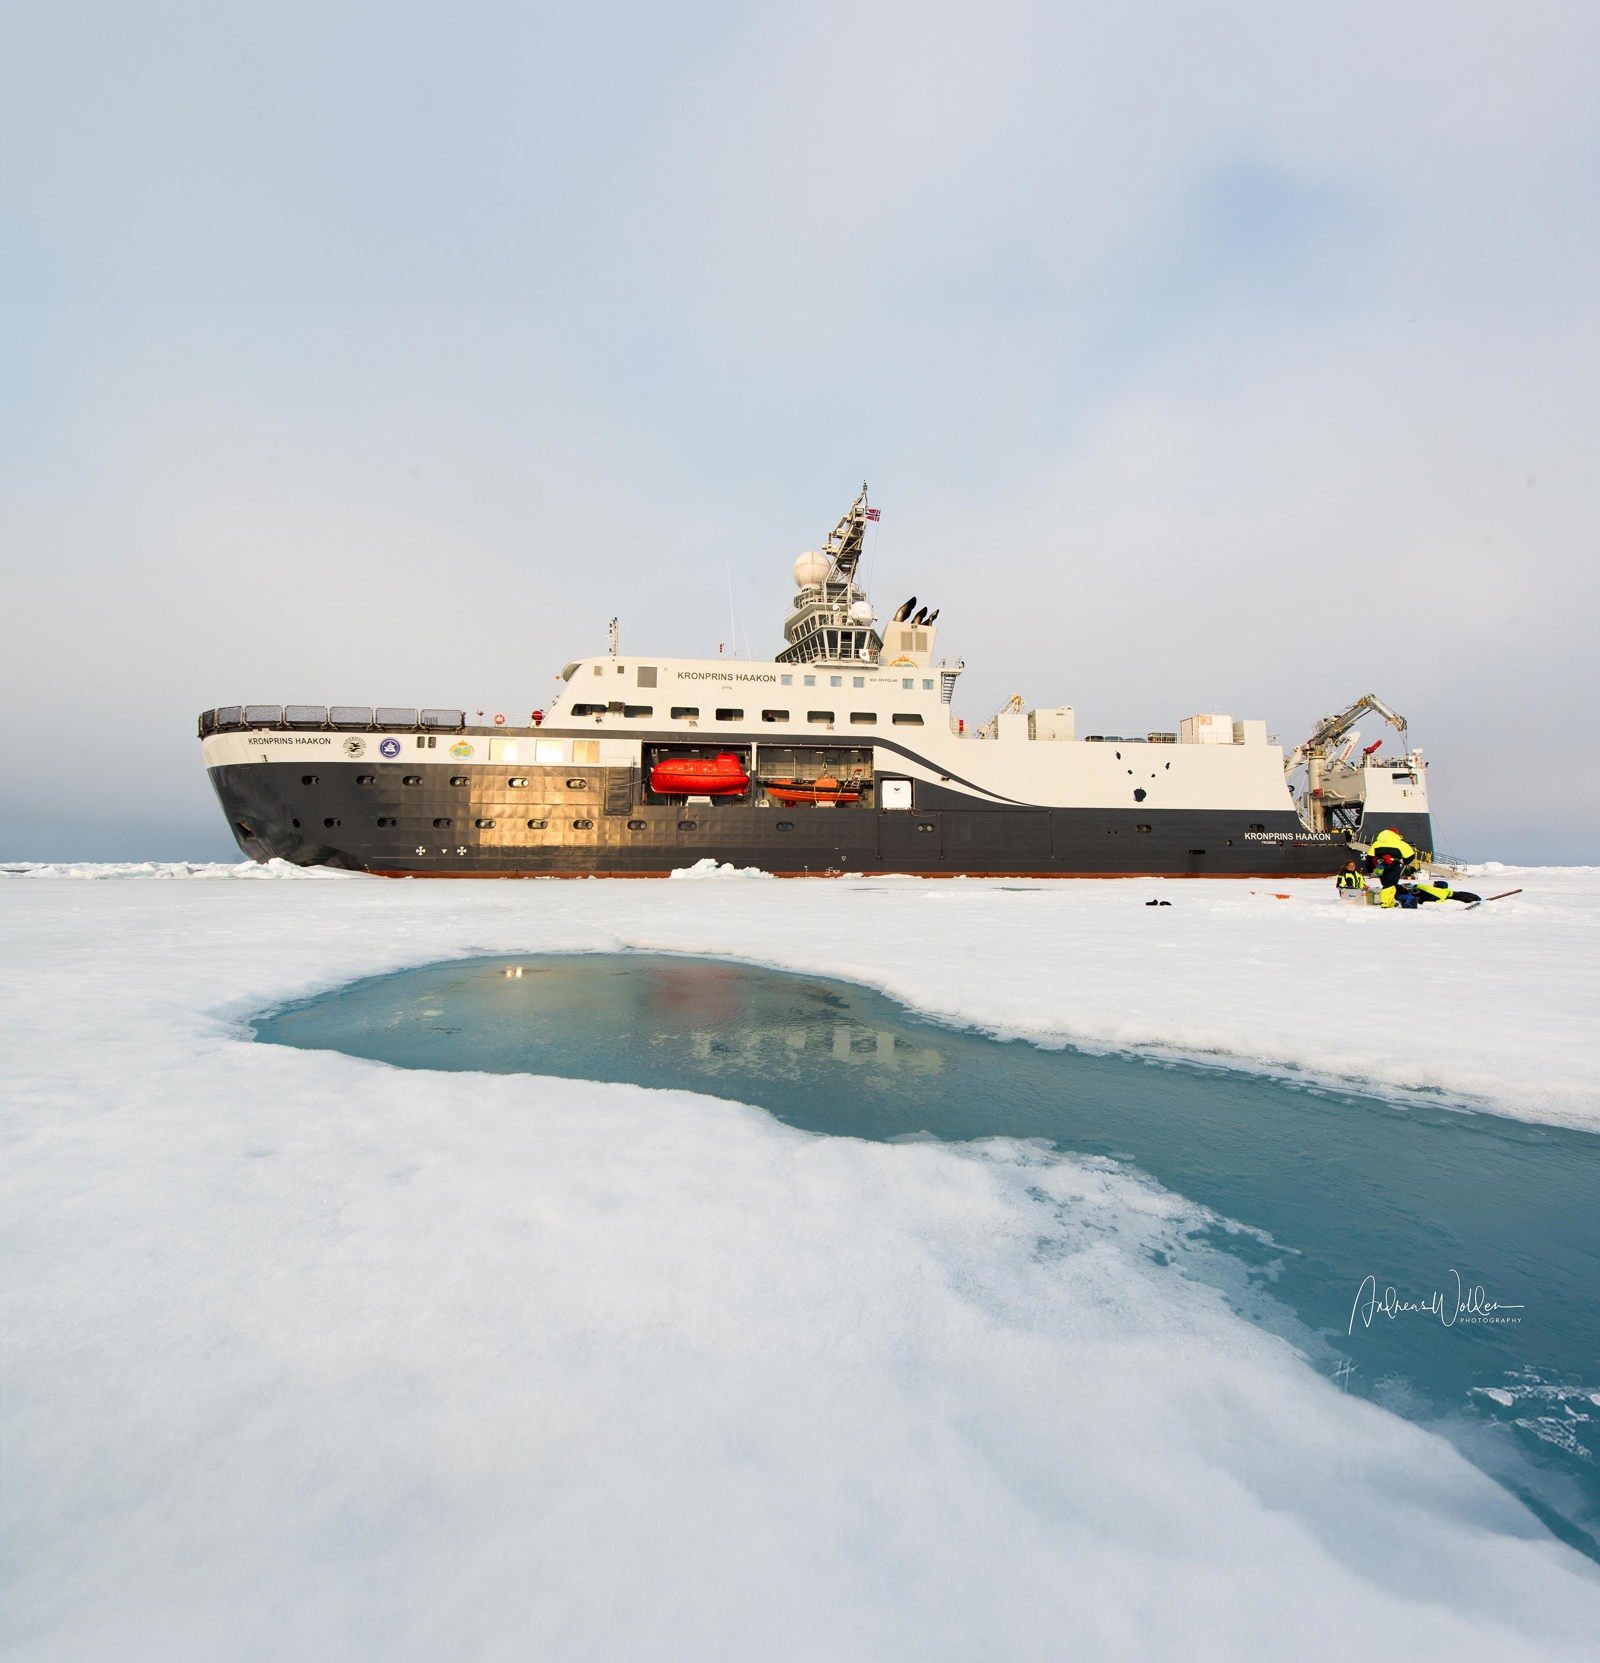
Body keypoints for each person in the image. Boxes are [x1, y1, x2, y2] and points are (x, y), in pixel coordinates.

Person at [1362, 827, 1418, 908]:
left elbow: (1369, 858)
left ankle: (1390, 900)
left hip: (1379, 866)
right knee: (1390, 884)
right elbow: (1410, 855)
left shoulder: (1376, 843)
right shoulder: (1399, 843)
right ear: (1396, 834)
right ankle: (1386, 902)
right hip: (1393, 864)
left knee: (1385, 883)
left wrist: (1370, 869)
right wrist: (1405, 862)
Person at [1411, 877, 1481, 905]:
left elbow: (1421, 886)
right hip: (1473, 897)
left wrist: (1415, 886)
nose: (1433, 885)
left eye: (1435, 884)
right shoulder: (1448, 892)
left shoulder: (1441, 892)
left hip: (1472, 898)